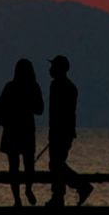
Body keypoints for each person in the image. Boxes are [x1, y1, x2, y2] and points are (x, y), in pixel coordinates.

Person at [0, 58, 44, 207]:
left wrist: (6, 121)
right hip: (24, 132)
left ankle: (18, 199)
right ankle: (27, 190)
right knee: (28, 165)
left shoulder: (11, 87)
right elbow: (40, 109)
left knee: (14, 167)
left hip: (13, 132)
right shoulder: (32, 87)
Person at [45, 55, 94, 207]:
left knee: (56, 164)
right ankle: (59, 196)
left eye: (53, 66)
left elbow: (60, 113)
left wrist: (56, 132)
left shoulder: (59, 86)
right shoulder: (69, 87)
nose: (51, 69)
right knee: (56, 164)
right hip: (63, 132)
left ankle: (78, 187)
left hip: (60, 132)